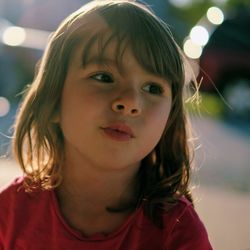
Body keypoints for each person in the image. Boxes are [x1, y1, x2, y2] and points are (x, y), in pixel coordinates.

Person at [0, 0, 213, 249]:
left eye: (152, 88)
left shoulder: (176, 232)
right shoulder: (10, 214)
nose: (131, 102)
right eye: (104, 77)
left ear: (169, 119)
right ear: (53, 100)